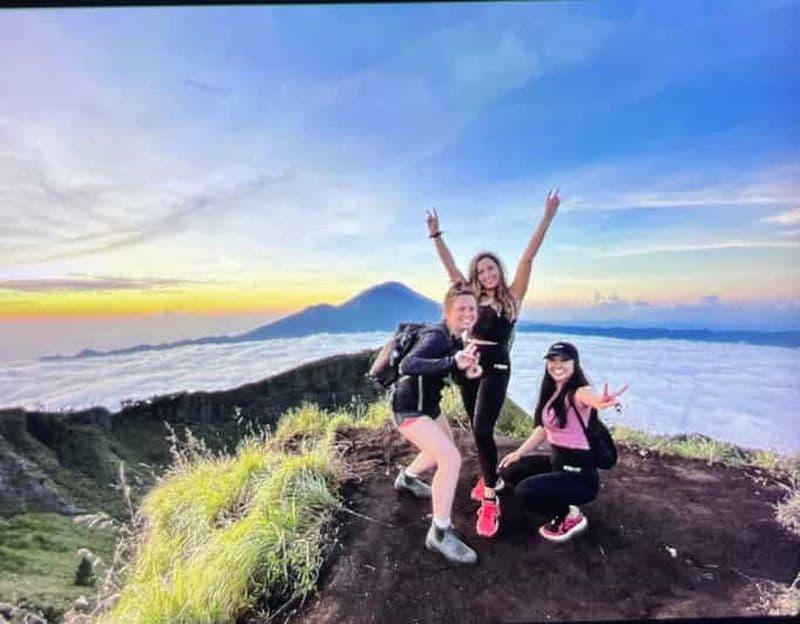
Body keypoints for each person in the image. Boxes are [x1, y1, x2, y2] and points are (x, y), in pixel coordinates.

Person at [426, 189, 560, 537]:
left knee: (483, 428)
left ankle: (490, 498)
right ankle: (493, 478)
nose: (487, 274)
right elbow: (450, 267)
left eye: (491, 268)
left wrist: (547, 216)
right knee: (477, 427)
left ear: (498, 270)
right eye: (481, 270)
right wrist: (436, 235)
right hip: (467, 363)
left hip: (496, 364)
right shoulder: (469, 295)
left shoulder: (512, 297)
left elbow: (528, 257)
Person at [390, 282, 483, 564]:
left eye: (471, 308)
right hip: (409, 409)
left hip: (427, 406)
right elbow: (408, 365)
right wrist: (453, 360)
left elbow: (444, 368)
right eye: (461, 308)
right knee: (450, 459)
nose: (467, 313)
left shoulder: (454, 338)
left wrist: (464, 368)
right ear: (447, 311)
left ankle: (407, 479)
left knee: (443, 448)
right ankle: (439, 533)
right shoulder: (437, 336)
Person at [498, 341, 628, 542]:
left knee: (525, 493)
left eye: (564, 360)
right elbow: (543, 429)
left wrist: (599, 402)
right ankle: (557, 493)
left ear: (575, 363)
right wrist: (519, 453)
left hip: (580, 477)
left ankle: (569, 515)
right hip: (557, 464)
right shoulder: (552, 390)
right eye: (553, 360)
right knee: (510, 470)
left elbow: (589, 398)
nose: (557, 365)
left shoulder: (578, 391)